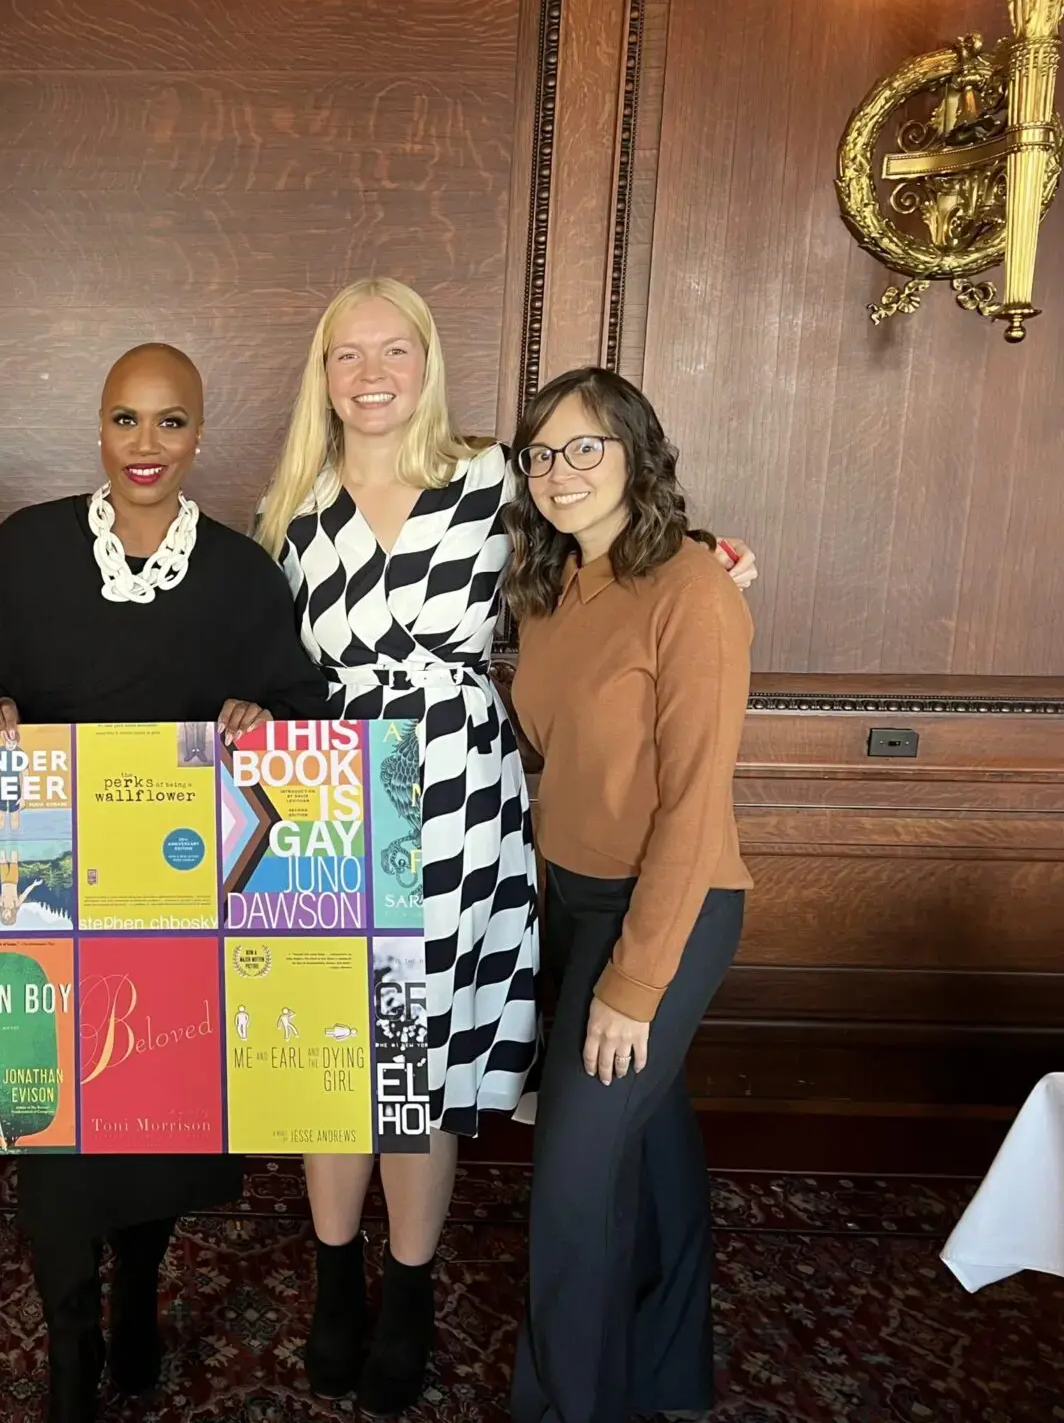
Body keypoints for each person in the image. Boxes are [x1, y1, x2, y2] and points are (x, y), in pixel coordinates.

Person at [253, 278, 757, 1415]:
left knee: (419, 1060)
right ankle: (339, 1279)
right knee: (334, 1059)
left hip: (462, 805)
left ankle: (412, 1290)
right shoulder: (285, 507)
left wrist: (718, 560)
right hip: (326, 803)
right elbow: (250, 658)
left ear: (427, 364)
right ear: (320, 374)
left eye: (396, 350)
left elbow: (614, 553)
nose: (371, 373)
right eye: (348, 354)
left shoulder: (493, 480)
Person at [0, 342, 331, 1423]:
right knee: (56, 1140)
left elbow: (301, 702)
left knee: (156, 1133)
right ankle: (71, 1346)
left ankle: (138, 1298)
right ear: (98, 427)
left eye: (170, 422)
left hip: (181, 913)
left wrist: (266, 720)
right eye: (126, 420)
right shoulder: (24, 551)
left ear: (200, 433)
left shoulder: (245, 573)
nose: (146, 445)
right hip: (45, 901)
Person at [502, 367, 752, 1423]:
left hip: (672, 913)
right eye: (543, 454)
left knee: (571, 1189)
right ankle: (669, 1377)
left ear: (638, 456)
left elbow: (696, 804)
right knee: (649, 1161)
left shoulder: (695, 589)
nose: (561, 473)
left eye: (586, 448)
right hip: (577, 905)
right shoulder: (555, 587)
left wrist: (635, 983)